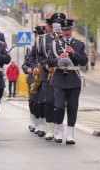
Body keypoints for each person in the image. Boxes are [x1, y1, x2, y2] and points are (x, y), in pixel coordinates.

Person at [47, 19, 88, 144]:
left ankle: (70, 135)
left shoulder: (79, 44)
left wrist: (73, 53)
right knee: (59, 107)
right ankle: (59, 131)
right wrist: (59, 59)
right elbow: (49, 61)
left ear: (72, 30)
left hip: (74, 79)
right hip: (59, 78)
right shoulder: (55, 44)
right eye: (64, 30)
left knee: (72, 108)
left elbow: (84, 62)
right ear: (61, 31)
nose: (66, 32)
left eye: (68, 30)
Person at [28, 12, 66, 140]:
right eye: (57, 24)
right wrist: (44, 65)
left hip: (63, 75)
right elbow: (36, 57)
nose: (59, 26)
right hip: (47, 74)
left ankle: (58, 128)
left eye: (61, 24)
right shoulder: (42, 39)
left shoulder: (67, 39)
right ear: (52, 24)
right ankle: (50, 128)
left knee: (60, 104)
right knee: (49, 101)